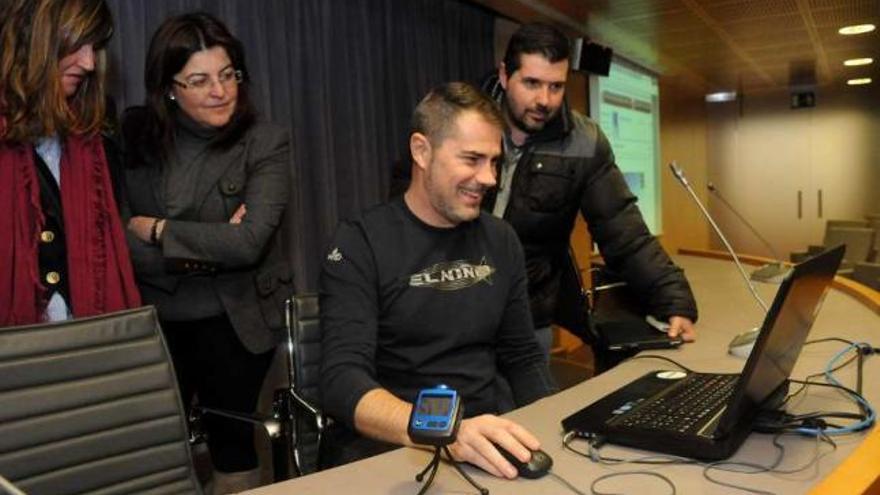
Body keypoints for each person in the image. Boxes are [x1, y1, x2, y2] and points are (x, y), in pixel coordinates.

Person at [320, 82, 556, 478]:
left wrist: (552, 428)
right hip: (392, 450)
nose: (489, 178)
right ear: (421, 151)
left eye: (494, 162)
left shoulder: (501, 240)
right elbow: (342, 382)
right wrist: (446, 432)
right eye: (472, 159)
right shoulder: (360, 242)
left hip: (485, 443)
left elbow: (523, 357)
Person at [121, 12, 292, 494]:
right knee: (152, 451)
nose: (220, 91)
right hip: (154, 318)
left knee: (232, 447)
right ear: (170, 87)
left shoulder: (264, 141)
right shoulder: (134, 135)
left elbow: (250, 242)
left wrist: (157, 229)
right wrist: (211, 241)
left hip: (235, 319)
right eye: (199, 80)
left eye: (227, 75)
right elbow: (113, 239)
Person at [481, 23, 698, 353]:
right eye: (532, 83)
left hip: (527, 317)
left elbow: (624, 231)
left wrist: (673, 300)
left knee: (535, 406)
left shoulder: (584, 142)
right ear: (504, 75)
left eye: (556, 87)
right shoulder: (462, 122)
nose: (544, 100)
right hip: (458, 315)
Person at [0, 0, 141, 326]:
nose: (90, 63)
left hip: (88, 345)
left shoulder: (94, 135)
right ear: (33, 39)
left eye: (95, 46)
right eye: (78, 44)